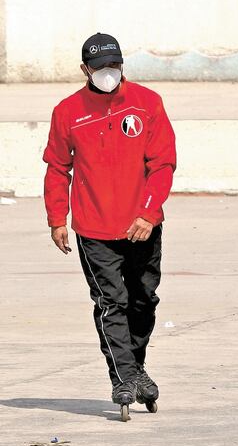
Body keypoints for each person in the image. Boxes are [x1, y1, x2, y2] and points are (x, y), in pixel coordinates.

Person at [43, 33, 177, 419]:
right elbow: (57, 168)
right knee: (110, 303)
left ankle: (135, 368)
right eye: (100, 68)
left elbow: (163, 163)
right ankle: (123, 379)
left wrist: (149, 213)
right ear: (85, 69)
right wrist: (57, 219)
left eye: (114, 66)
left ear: (122, 65)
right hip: (94, 228)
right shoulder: (67, 111)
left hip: (143, 226)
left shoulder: (147, 103)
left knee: (143, 300)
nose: (108, 73)